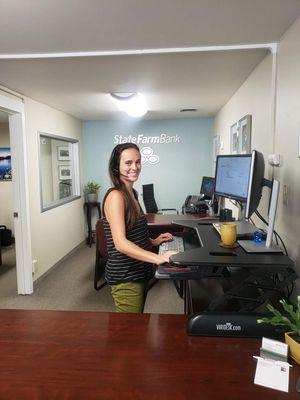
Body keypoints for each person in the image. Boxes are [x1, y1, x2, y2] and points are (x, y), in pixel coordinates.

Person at [103, 143, 177, 313]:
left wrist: (153, 241)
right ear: (116, 166)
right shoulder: (116, 196)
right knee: (129, 331)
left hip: (139, 270)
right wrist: (158, 258)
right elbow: (120, 243)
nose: (134, 167)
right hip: (126, 276)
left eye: (138, 162)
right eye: (128, 163)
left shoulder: (132, 193)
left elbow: (133, 232)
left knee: (138, 326)